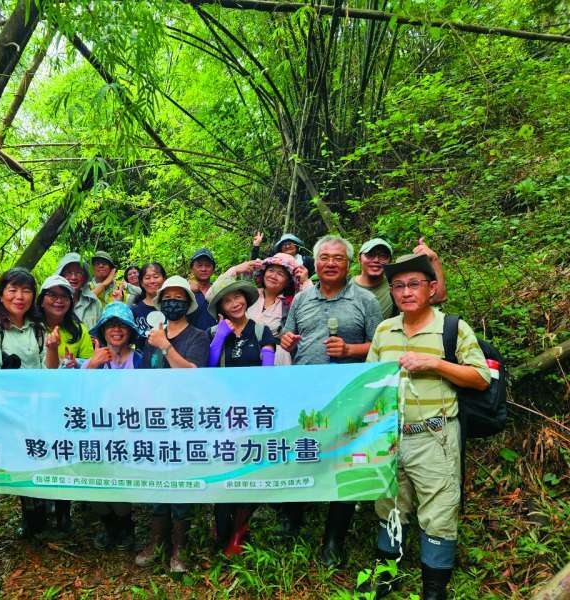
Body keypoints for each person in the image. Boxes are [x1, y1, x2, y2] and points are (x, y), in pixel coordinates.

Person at [362, 254, 490, 599]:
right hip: (390, 435)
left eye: (414, 284)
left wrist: (435, 363)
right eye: (399, 286)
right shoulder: (383, 330)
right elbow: (368, 382)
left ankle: (434, 590)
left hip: (435, 435)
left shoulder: (452, 327)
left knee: (439, 511)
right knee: (388, 505)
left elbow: (480, 378)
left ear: (432, 288)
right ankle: (385, 577)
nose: (406, 292)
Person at [279, 235, 382, 567]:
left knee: (346, 464)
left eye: (338, 258)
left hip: (350, 398)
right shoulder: (301, 299)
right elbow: (288, 336)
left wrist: (351, 351)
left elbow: (382, 345)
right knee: (303, 455)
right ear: (315, 262)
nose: (331, 263)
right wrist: (287, 339)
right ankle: (292, 518)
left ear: (348, 264)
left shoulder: (365, 300)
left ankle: (333, 541)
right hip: (306, 394)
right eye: (324, 257)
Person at [0, 267, 49, 591]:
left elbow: (42, 370)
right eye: (13, 290)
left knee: (28, 473)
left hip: (29, 418)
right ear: (2, 293)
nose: (19, 297)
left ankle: (34, 531)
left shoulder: (37, 328)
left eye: (26, 291)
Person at [135, 276, 208, 573]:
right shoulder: (152, 335)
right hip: (154, 419)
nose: (172, 302)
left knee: (180, 482)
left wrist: (166, 347)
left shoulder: (199, 336)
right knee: (156, 480)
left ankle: (180, 547)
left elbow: (192, 373)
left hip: (184, 420)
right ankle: (156, 541)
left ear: (188, 304)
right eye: (168, 297)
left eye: (179, 297)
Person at [204, 275, 275, 556]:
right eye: (228, 299)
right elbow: (208, 369)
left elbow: (268, 370)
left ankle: (239, 530)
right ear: (221, 305)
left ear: (246, 300)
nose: (235, 302)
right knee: (224, 469)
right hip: (222, 412)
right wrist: (220, 337)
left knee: (250, 468)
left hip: (254, 411)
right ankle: (222, 526)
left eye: (238, 297)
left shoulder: (261, 331)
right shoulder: (212, 332)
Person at [84, 302, 144, 550]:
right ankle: (108, 526)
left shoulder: (140, 359)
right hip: (98, 432)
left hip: (131, 433)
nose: (116, 330)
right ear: (103, 331)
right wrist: (91, 366)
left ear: (130, 331)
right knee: (97, 482)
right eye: (111, 326)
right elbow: (75, 394)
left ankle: (124, 527)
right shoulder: (94, 360)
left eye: (122, 326)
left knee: (122, 483)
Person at [38, 275, 94, 534]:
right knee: (39, 454)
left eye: (64, 297)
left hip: (69, 405)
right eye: (52, 295)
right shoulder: (31, 327)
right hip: (38, 405)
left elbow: (90, 363)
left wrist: (77, 365)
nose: (58, 301)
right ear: (42, 299)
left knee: (64, 453)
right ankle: (34, 516)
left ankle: (63, 512)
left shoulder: (78, 330)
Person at [223, 252, 308, 365]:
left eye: (280, 274)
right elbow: (216, 292)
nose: (273, 276)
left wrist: (306, 281)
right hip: (243, 354)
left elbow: (312, 305)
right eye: (271, 270)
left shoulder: (291, 302)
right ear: (263, 273)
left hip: (277, 359)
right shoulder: (249, 295)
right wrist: (236, 269)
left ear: (288, 282)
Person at [354, 237, 448, 319]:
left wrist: (434, 259)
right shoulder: (345, 285)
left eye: (383, 256)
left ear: (389, 261)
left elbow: (438, 297)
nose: (376, 260)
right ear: (359, 258)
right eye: (370, 255)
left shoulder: (397, 285)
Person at [54, 252, 101, 331]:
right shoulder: (52, 303)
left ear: (84, 277)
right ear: (61, 275)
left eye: (78, 272)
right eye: (69, 272)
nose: (73, 277)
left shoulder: (94, 303)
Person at [130, 262, 167, 339]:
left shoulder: (174, 306)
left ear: (164, 279)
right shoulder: (135, 310)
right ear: (141, 283)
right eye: (147, 278)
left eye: (156, 277)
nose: (152, 281)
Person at [187, 248, 218, 331]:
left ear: (213, 269)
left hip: (218, 340)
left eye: (208, 265)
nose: (203, 269)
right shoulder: (185, 291)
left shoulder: (219, 291)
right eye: (199, 265)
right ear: (192, 269)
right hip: (193, 341)